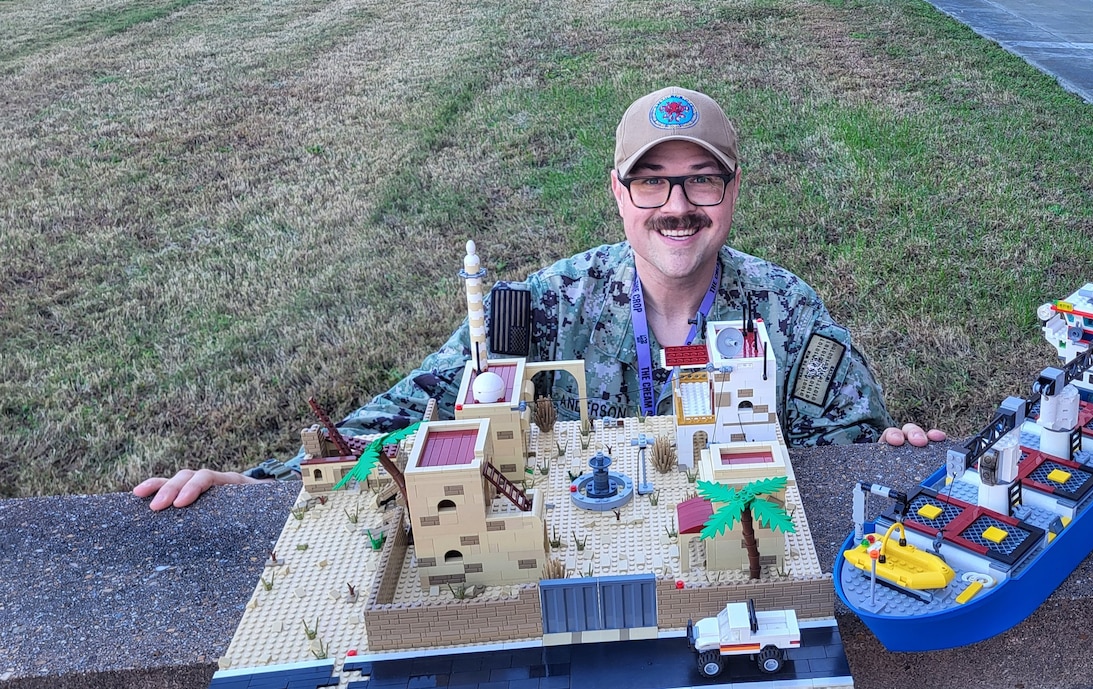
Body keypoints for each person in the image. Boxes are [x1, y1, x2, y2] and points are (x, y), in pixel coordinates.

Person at [135, 86, 944, 511]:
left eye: (702, 178)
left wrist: (898, 450)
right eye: (652, 179)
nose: (677, 204)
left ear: (733, 190)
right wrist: (264, 482)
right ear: (619, 193)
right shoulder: (541, 306)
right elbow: (411, 417)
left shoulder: (787, 313)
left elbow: (851, 453)